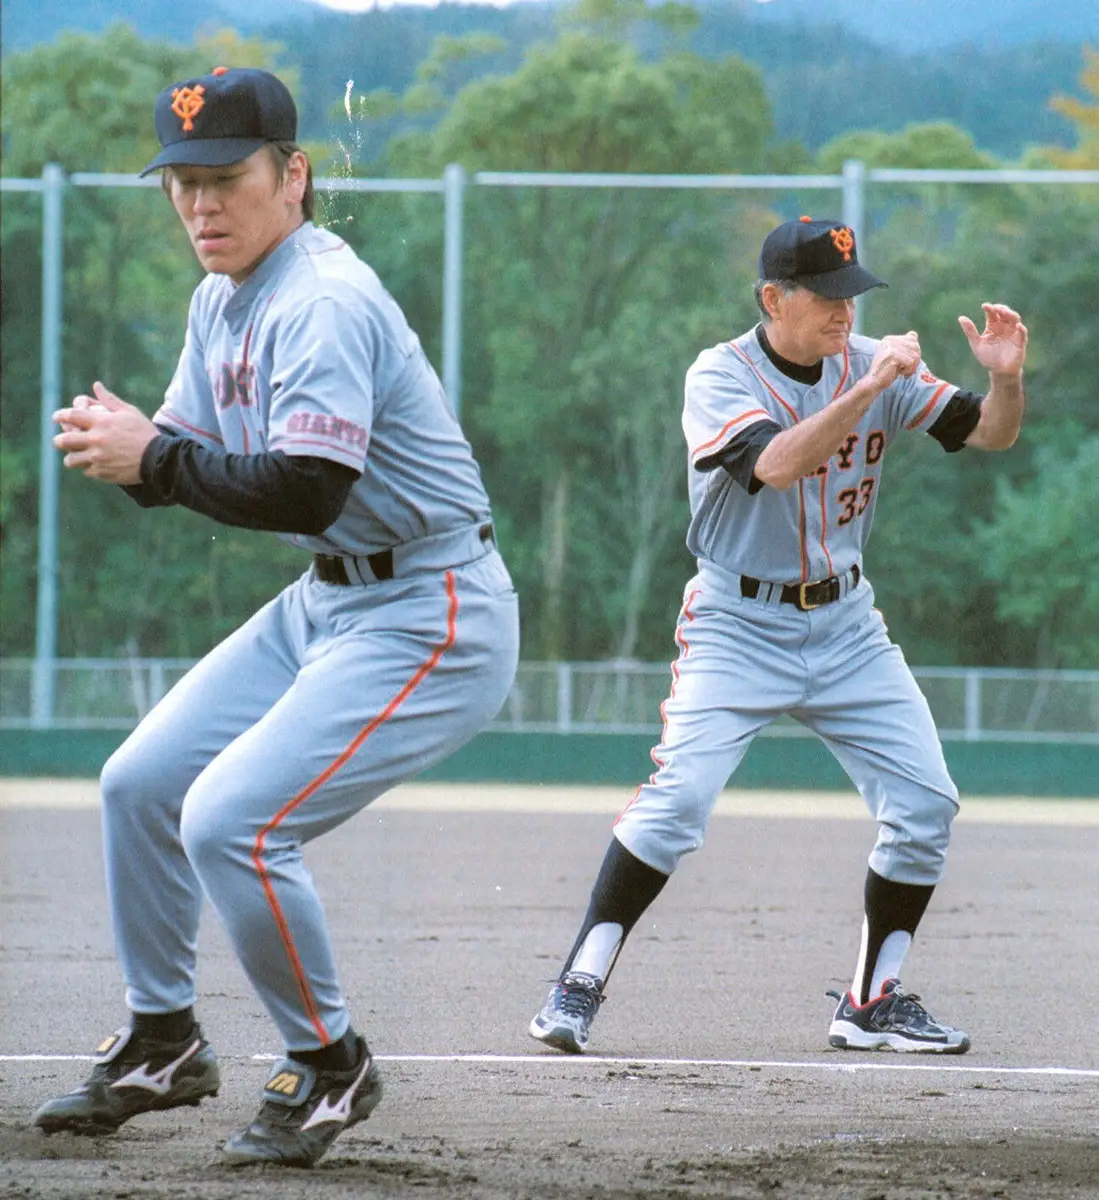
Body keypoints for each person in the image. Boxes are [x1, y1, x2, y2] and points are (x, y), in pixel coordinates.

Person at [35, 66, 520, 1168]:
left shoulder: (323, 299)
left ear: (291, 177)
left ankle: (331, 1066)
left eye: (225, 178)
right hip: (329, 600)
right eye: (181, 183)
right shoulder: (224, 299)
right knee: (140, 783)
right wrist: (136, 449)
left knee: (233, 824)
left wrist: (153, 458)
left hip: (433, 607)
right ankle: (163, 1039)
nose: (201, 205)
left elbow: (303, 489)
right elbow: (187, 459)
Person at [529, 216, 1027, 1057]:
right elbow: (775, 464)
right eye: (826, 296)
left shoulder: (870, 360)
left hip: (845, 626)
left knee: (924, 805)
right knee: (675, 805)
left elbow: (988, 432)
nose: (843, 311)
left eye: (850, 294)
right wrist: (870, 388)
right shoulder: (719, 374)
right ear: (772, 298)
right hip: (735, 623)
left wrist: (1007, 381)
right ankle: (578, 981)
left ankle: (871, 1001)